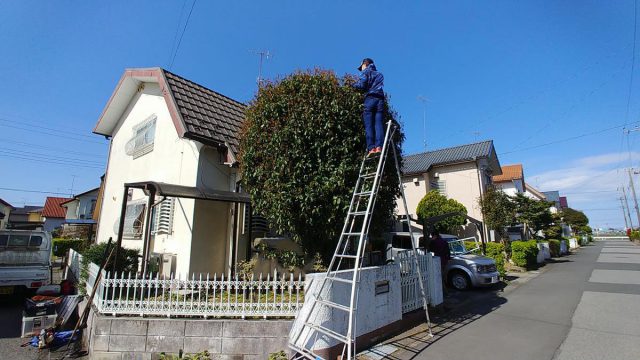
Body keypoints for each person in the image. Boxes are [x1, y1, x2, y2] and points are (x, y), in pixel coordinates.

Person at [353, 58, 385, 156]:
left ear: (365, 64)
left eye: (361, 67)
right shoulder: (379, 74)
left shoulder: (366, 72)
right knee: (378, 124)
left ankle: (371, 148)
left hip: (370, 99)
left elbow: (362, 85)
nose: (361, 69)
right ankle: (379, 147)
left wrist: (352, 85)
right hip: (380, 99)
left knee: (369, 125)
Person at [428, 229, 451, 293]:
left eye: (432, 236)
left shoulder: (433, 242)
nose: (432, 237)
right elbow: (448, 251)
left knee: (439, 276)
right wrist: (448, 259)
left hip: (437, 260)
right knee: (442, 275)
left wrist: (431, 241)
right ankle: (444, 290)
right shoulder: (444, 241)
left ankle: (444, 291)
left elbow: (430, 249)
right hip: (444, 260)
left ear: (434, 236)